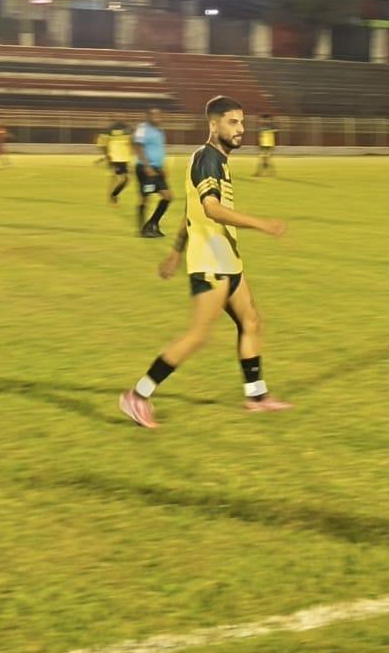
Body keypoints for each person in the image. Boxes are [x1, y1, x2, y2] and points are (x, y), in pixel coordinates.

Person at [119, 96, 293, 429]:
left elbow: (192, 211)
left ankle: (257, 397)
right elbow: (211, 209)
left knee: (251, 321)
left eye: (242, 122)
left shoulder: (217, 160)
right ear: (213, 124)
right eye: (232, 122)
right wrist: (262, 224)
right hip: (212, 262)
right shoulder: (207, 158)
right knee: (198, 335)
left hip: (228, 259)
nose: (240, 129)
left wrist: (175, 252)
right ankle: (138, 396)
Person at [133, 107, 173, 238]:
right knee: (145, 198)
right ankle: (142, 229)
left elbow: (158, 150)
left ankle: (152, 224)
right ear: (148, 116)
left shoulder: (160, 130)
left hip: (157, 170)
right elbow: (138, 146)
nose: (157, 117)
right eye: (154, 115)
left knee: (167, 196)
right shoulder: (142, 128)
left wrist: (161, 168)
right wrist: (147, 166)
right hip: (145, 169)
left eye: (159, 115)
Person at [106, 121, 133, 204]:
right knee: (123, 179)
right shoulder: (117, 133)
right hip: (117, 159)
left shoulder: (124, 134)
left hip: (122, 159)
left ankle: (113, 195)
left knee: (121, 179)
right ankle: (113, 195)